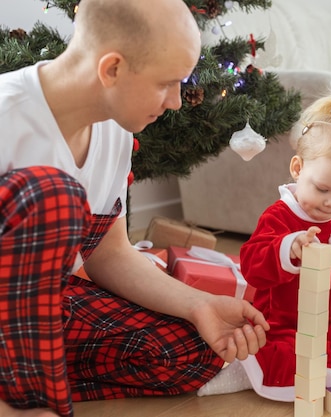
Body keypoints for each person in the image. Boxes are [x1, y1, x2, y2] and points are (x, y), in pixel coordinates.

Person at [0, 1, 269, 416]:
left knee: (190, 350)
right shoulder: (7, 117)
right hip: (11, 310)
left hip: (44, 308)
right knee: (52, 194)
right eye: (167, 83)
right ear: (112, 69)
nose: (177, 102)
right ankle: (28, 399)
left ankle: (28, 370)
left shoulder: (115, 131)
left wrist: (199, 304)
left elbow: (109, 253)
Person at [197, 92, 331, 400]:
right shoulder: (279, 216)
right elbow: (251, 264)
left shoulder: (326, 212)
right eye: (323, 189)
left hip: (329, 317)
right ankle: (250, 369)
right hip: (282, 321)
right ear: (298, 169)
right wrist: (287, 249)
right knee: (316, 373)